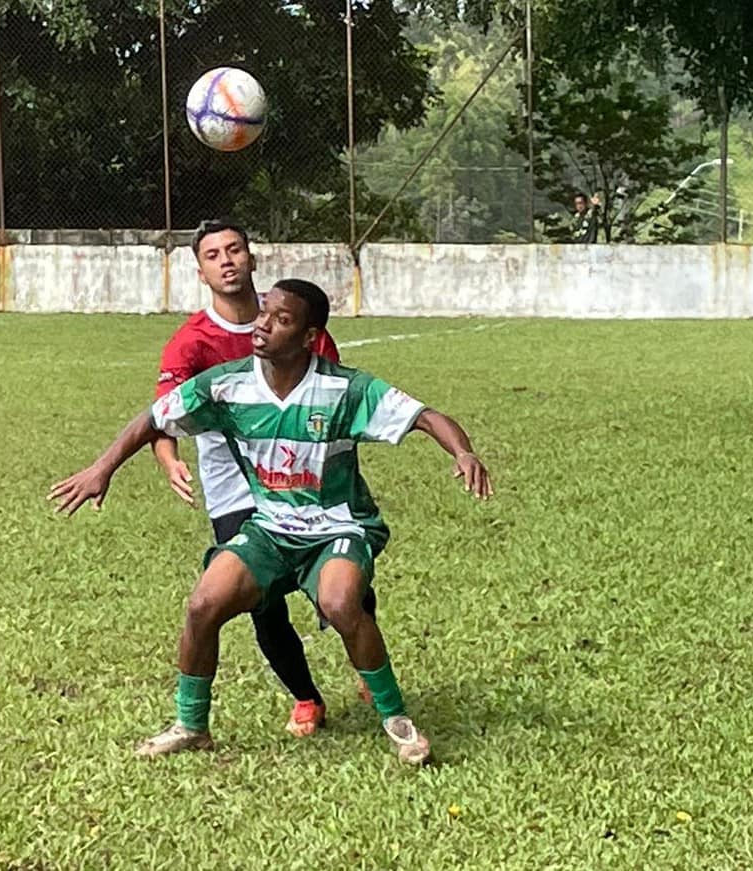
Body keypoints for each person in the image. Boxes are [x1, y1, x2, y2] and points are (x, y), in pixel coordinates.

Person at [50, 279, 493, 764]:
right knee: (203, 604)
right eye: (264, 312)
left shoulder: (344, 390)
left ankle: (397, 721)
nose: (262, 324)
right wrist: (102, 468)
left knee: (342, 603)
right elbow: (155, 417)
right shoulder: (227, 385)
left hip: (338, 528)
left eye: (281, 319)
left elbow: (426, 417)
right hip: (270, 528)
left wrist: (463, 451)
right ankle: (190, 725)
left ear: (309, 336)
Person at [152, 219, 372, 740]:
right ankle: (306, 698)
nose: (226, 260)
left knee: (345, 590)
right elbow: (160, 416)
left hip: (308, 482)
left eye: (234, 250)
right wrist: (169, 459)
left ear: (252, 258)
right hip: (234, 490)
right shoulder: (190, 343)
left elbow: (335, 399)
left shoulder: (296, 323)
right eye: (212, 254)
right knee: (261, 604)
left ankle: (366, 664)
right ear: (201, 270)